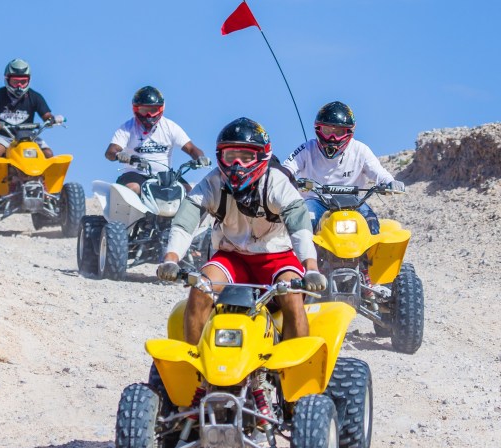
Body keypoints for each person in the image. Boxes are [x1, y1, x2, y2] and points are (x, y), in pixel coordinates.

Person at [156, 117, 326, 345]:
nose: (237, 165)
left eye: (246, 157)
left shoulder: (276, 183)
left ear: (263, 156)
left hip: (276, 257)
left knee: (292, 297)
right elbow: (186, 221)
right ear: (220, 157)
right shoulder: (212, 182)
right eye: (230, 156)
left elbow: (299, 226)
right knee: (199, 290)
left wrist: (311, 268)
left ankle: (295, 371)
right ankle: (197, 370)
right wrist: (171, 259)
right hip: (232, 257)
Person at [282, 101, 405, 234]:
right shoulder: (307, 148)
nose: (333, 138)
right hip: (316, 201)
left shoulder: (360, 150)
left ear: (350, 131)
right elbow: (287, 168)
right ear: (318, 129)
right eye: (327, 130)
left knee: (371, 223)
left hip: (352, 203)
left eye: (339, 132)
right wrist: (283, 179)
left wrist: (390, 183)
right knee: (302, 222)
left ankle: (368, 256)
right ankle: (302, 255)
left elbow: (379, 173)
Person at [104, 86, 209, 195]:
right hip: (135, 174)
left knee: (189, 192)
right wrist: (119, 155)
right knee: (133, 188)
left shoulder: (170, 127)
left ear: (160, 109)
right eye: (144, 110)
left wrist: (200, 158)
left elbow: (192, 149)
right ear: (136, 109)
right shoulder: (127, 128)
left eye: (153, 110)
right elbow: (110, 152)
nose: (149, 115)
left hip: (165, 176)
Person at [0, 58, 64, 160]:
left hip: (29, 137)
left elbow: (46, 116)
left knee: (48, 155)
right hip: (2, 136)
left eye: (23, 82)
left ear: (29, 81)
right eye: (15, 82)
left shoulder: (35, 97)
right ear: (7, 79)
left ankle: (44, 176)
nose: (19, 86)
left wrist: (54, 119)